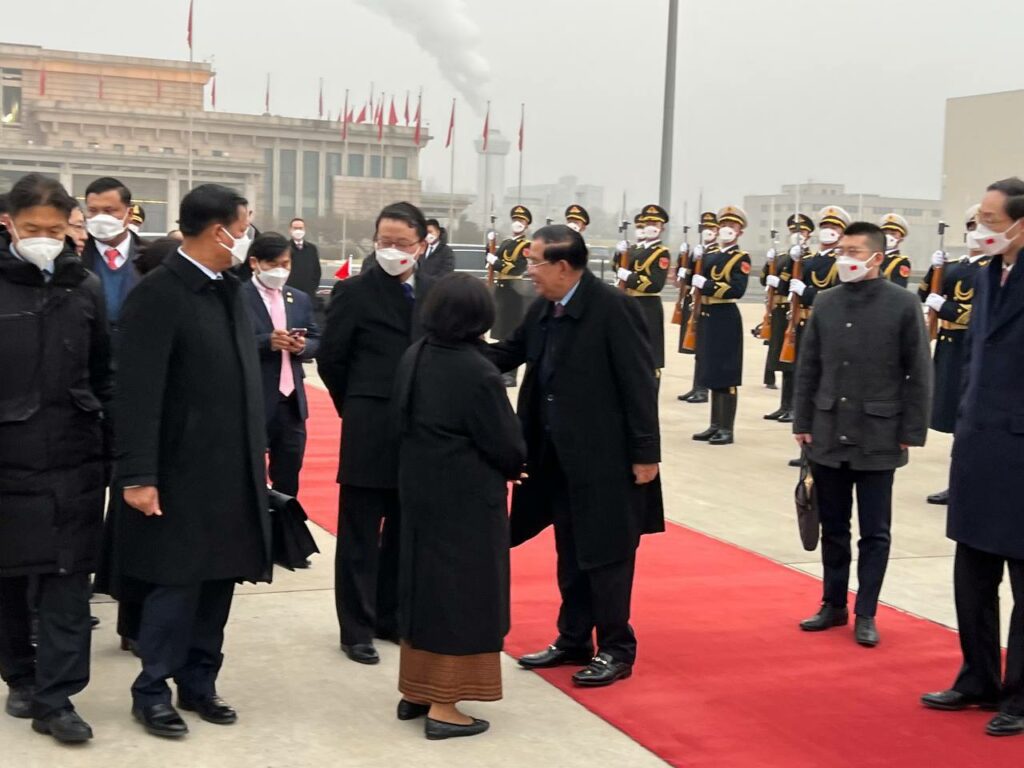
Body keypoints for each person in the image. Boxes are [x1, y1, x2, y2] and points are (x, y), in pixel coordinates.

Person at [106, 184, 272, 739]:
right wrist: (138, 474)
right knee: (174, 584)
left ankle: (199, 682)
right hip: (178, 472)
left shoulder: (228, 289)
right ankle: (152, 689)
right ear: (218, 231)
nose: (246, 238)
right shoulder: (159, 294)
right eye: (242, 228)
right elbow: (135, 393)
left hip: (230, 470)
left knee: (219, 582)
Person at [486, 225, 663, 688]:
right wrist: (451, 349)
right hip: (554, 458)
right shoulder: (544, 308)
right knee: (569, 550)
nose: (528, 271)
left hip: (606, 460)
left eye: (534, 262)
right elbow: (509, 352)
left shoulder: (613, 309)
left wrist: (646, 454)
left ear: (563, 266)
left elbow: (639, 384)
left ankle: (617, 647)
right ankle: (574, 639)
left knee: (607, 554)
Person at [0, 174, 111, 744]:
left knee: (68, 582)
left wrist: (114, 447)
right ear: (8, 225)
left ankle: (57, 698)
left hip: (74, 459)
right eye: (31, 228)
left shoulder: (84, 287)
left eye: (54, 228)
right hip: (8, 462)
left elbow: (104, 371)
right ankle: (20, 676)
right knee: (10, 582)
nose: (44, 238)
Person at [391, 274, 526, 740]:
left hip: (420, 489)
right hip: (466, 500)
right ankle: (445, 705)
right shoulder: (476, 370)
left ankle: (417, 688)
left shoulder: (417, 353)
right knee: (462, 597)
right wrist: (516, 464)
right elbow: (505, 442)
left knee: (422, 590)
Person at [793, 221, 931, 648]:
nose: (845, 259)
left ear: (877, 257)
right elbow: (809, 367)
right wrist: (802, 422)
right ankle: (833, 603)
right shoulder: (827, 301)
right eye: (842, 251)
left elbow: (919, 372)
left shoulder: (903, 304)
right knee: (833, 526)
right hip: (828, 430)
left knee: (875, 532)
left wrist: (911, 430)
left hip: (879, 435)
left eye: (854, 251)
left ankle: (866, 611)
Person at [921, 178, 1024, 737]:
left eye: (991, 219)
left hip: (1020, 450)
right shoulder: (985, 275)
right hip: (979, 445)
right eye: (979, 217)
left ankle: (1020, 696)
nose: (981, 228)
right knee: (973, 574)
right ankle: (978, 677)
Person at [318, 201, 435, 666]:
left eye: (401, 243)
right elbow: (332, 359)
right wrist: (356, 406)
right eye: (384, 241)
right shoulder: (354, 291)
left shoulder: (435, 291)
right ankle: (356, 628)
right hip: (369, 425)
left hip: (420, 430)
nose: (392, 250)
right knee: (360, 534)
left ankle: (392, 616)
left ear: (421, 245)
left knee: (406, 531)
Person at [241, 233, 321, 497]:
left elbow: (316, 338)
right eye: (273, 264)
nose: (280, 271)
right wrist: (267, 342)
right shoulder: (238, 297)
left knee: (289, 470)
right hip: (254, 398)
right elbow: (228, 343)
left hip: (291, 401)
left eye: (285, 264)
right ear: (255, 263)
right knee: (249, 473)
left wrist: (303, 346)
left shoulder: (298, 298)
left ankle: (284, 518)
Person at [918, 205, 987, 506]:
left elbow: (976, 314)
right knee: (952, 418)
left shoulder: (990, 269)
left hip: (967, 348)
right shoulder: (956, 266)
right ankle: (958, 482)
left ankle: (964, 483)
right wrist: (934, 271)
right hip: (948, 348)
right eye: (972, 226)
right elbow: (924, 294)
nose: (976, 232)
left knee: (967, 422)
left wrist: (944, 307)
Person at [690, 205, 751, 446]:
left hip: (725, 315)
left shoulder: (740, 258)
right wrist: (690, 261)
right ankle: (715, 425)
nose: (726, 229)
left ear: (740, 232)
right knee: (712, 370)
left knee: (726, 374)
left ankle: (727, 428)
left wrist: (706, 285)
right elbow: (693, 279)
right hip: (708, 315)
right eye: (723, 225)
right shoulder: (710, 254)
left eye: (732, 226)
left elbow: (737, 289)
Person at [762, 213, 815, 422]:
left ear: (809, 235)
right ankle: (785, 405)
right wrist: (769, 264)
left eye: (801, 231)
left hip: (796, 311)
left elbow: (793, 285)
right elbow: (765, 280)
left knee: (795, 363)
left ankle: (794, 407)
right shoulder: (785, 256)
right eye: (793, 231)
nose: (797, 234)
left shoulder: (808, 259)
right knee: (784, 361)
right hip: (781, 312)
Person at [80, 177, 147, 341]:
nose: (100, 218)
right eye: (93, 211)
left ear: (129, 214)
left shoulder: (150, 256)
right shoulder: (76, 256)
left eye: (109, 211)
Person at [616, 204, 671, 377]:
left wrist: (629, 277)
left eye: (655, 223)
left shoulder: (661, 253)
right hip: (630, 303)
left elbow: (655, 284)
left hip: (648, 306)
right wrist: (619, 255)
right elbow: (618, 269)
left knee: (649, 356)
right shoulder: (635, 249)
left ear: (662, 228)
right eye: (648, 223)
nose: (650, 226)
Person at [487, 205, 533, 387]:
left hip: (515, 290)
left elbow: (517, 268)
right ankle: (500, 369)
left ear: (526, 225)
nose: (517, 223)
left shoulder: (525, 245)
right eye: (515, 219)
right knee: (500, 332)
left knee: (511, 332)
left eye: (521, 221)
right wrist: (489, 246)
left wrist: (496, 262)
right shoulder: (506, 242)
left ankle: (511, 375)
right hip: (502, 289)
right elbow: (492, 259)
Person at [678, 211, 719, 404]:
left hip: (708, 303)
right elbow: (686, 278)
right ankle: (696, 386)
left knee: (705, 349)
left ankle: (703, 389)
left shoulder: (717, 253)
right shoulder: (699, 251)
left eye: (711, 227)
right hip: (695, 301)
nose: (707, 231)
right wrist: (685, 258)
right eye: (704, 228)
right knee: (697, 348)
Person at [879, 213, 912, 287]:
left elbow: (899, 287)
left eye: (893, 234)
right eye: (884, 233)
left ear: (901, 238)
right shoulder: (872, 256)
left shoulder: (902, 262)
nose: (888, 236)